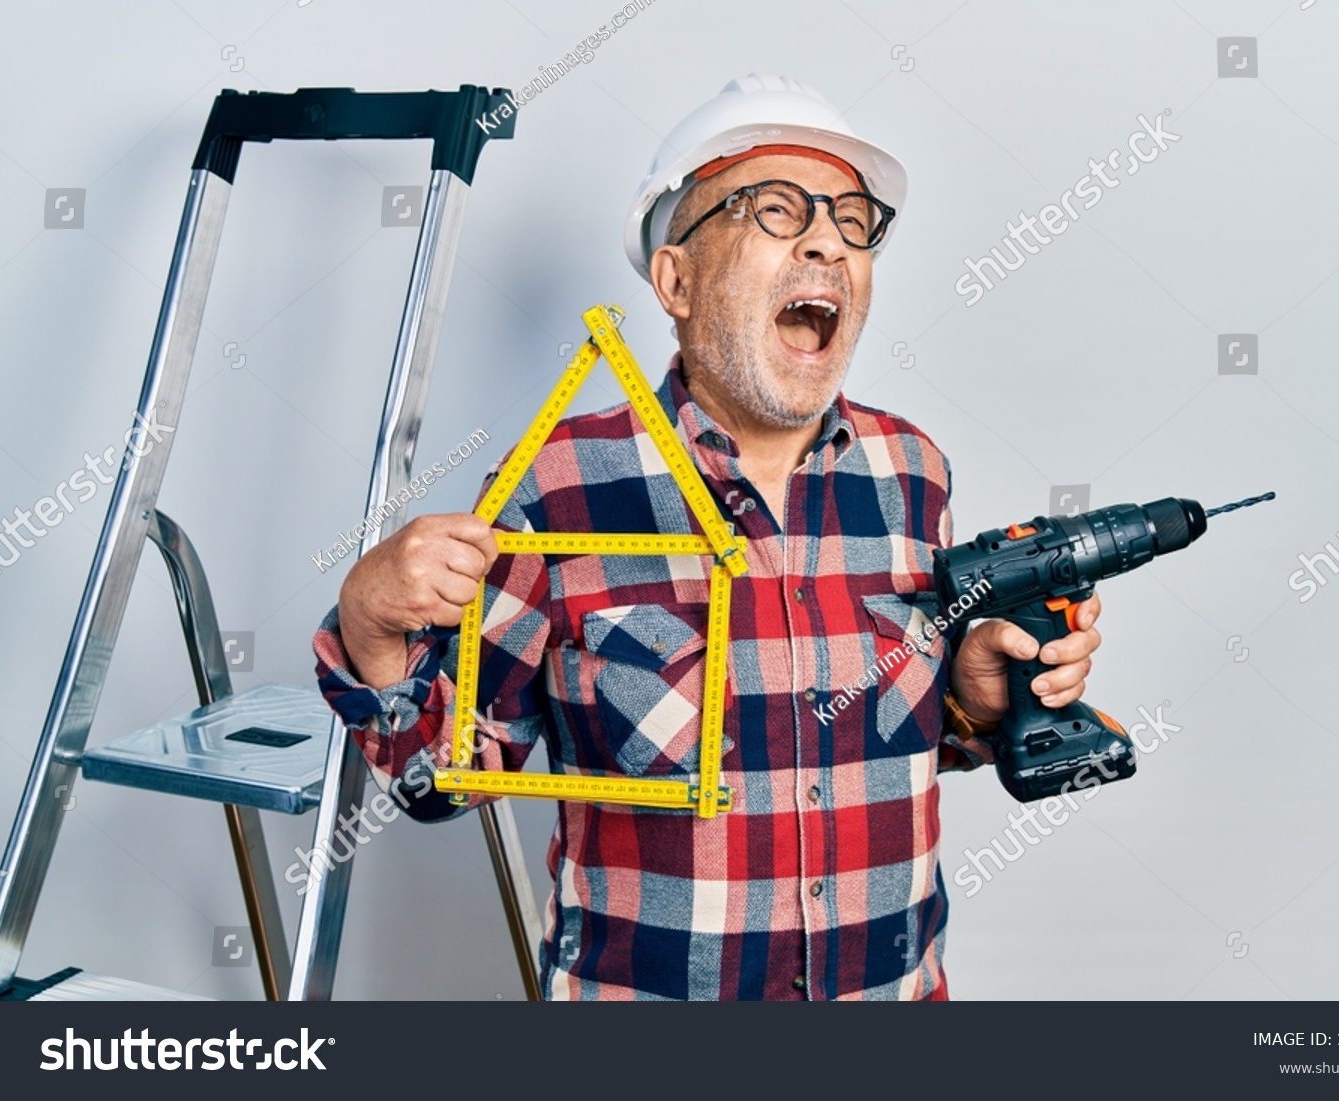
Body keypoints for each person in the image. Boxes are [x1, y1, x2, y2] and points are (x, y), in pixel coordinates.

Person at [313, 74, 1102, 1000]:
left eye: (853, 218)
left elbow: (893, 748)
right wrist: (369, 629)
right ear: (675, 281)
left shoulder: (912, 474)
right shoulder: (558, 487)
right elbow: (438, 783)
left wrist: (974, 701)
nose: (825, 240)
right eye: (774, 208)